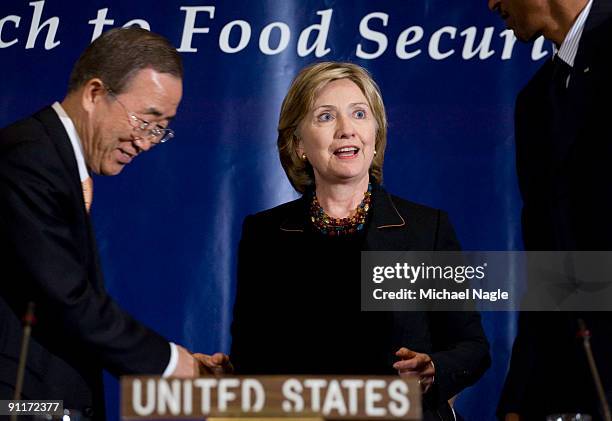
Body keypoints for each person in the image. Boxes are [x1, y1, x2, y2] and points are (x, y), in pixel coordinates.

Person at [230, 61, 491, 421]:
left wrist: (434, 368)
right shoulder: (265, 234)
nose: (346, 129)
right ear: (298, 143)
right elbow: (251, 358)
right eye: (325, 117)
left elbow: (472, 348)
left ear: (376, 133)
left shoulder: (425, 229)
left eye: (359, 113)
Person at [0, 28, 229, 420]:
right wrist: (176, 366)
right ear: (94, 93)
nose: (145, 142)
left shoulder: (56, 163)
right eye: (146, 120)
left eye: (160, 129)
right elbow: (67, 300)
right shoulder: (28, 159)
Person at [488, 0, 612, 419]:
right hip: (587, 383)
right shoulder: (535, 102)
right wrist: (519, 398)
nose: (490, 4)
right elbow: (551, 269)